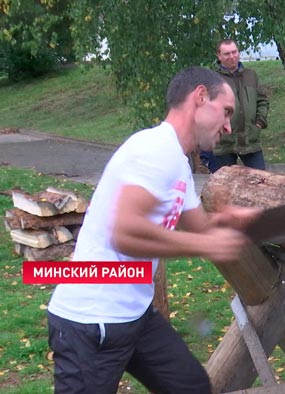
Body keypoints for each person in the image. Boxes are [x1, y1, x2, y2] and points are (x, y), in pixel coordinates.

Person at [47, 66, 261, 393]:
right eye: (226, 111)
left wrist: (228, 221)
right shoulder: (154, 149)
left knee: (190, 386)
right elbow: (124, 234)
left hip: (134, 316)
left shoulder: (177, 161)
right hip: (91, 324)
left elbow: (200, 227)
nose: (229, 126)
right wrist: (204, 246)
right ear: (200, 97)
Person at [200, 39, 269, 172]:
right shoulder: (211, 79)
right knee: (223, 188)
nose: (232, 57)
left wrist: (259, 124)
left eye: (234, 52)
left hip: (250, 140)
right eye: (227, 54)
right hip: (223, 144)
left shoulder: (251, 75)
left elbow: (262, 101)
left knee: (260, 183)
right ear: (218, 55)